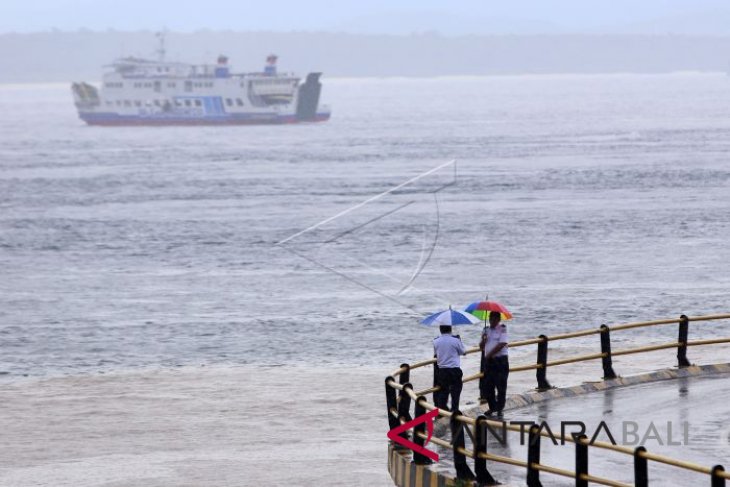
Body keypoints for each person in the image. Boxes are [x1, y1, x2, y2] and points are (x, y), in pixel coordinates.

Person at [479, 311, 509, 416]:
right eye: (491, 318)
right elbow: (481, 347)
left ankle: (500, 408)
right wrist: (483, 340)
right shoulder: (485, 330)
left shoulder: (502, 329)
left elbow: (502, 343)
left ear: (498, 319)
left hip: (500, 361)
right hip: (489, 362)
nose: (492, 320)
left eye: (494, 319)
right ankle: (492, 407)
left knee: (501, 386)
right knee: (487, 386)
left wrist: (490, 354)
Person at [433, 325, 467, 414]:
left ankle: (442, 412)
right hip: (454, 369)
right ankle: (454, 410)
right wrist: (459, 340)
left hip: (442, 370)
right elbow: (463, 352)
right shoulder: (455, 340)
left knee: (443, 392)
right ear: (450, 329)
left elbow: (436, 354)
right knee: (456, 391)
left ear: (440, 329)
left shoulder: (436, 341)